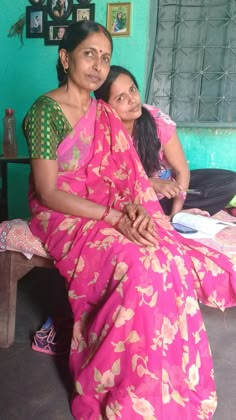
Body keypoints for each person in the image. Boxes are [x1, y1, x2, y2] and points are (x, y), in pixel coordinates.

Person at [24, 20, 236, 420]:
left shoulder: (103, 112)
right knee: (139, 265)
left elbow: (128, 177)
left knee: (168, 258)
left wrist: (136, 208)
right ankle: (120, 385)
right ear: (65, 56)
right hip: (64, 214)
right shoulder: (44, 112)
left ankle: (168, 384)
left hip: (110, 208)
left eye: (105, 57)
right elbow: (49, 191)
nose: (98, 65)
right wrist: (115, 217)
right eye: (89, 53)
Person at [95, 65, 236, 219]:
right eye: (120, 98)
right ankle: (157, 215)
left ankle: (170, 214)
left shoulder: (156, 120)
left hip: (167, 195)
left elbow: (182, 171)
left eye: (132, 90)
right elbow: (104, 183)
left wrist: (175, 215)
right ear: (106, 106)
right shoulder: (100, 133)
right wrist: (148, 183)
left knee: (230, 182)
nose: (132, 100)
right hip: (132, 200)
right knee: (108, 203)